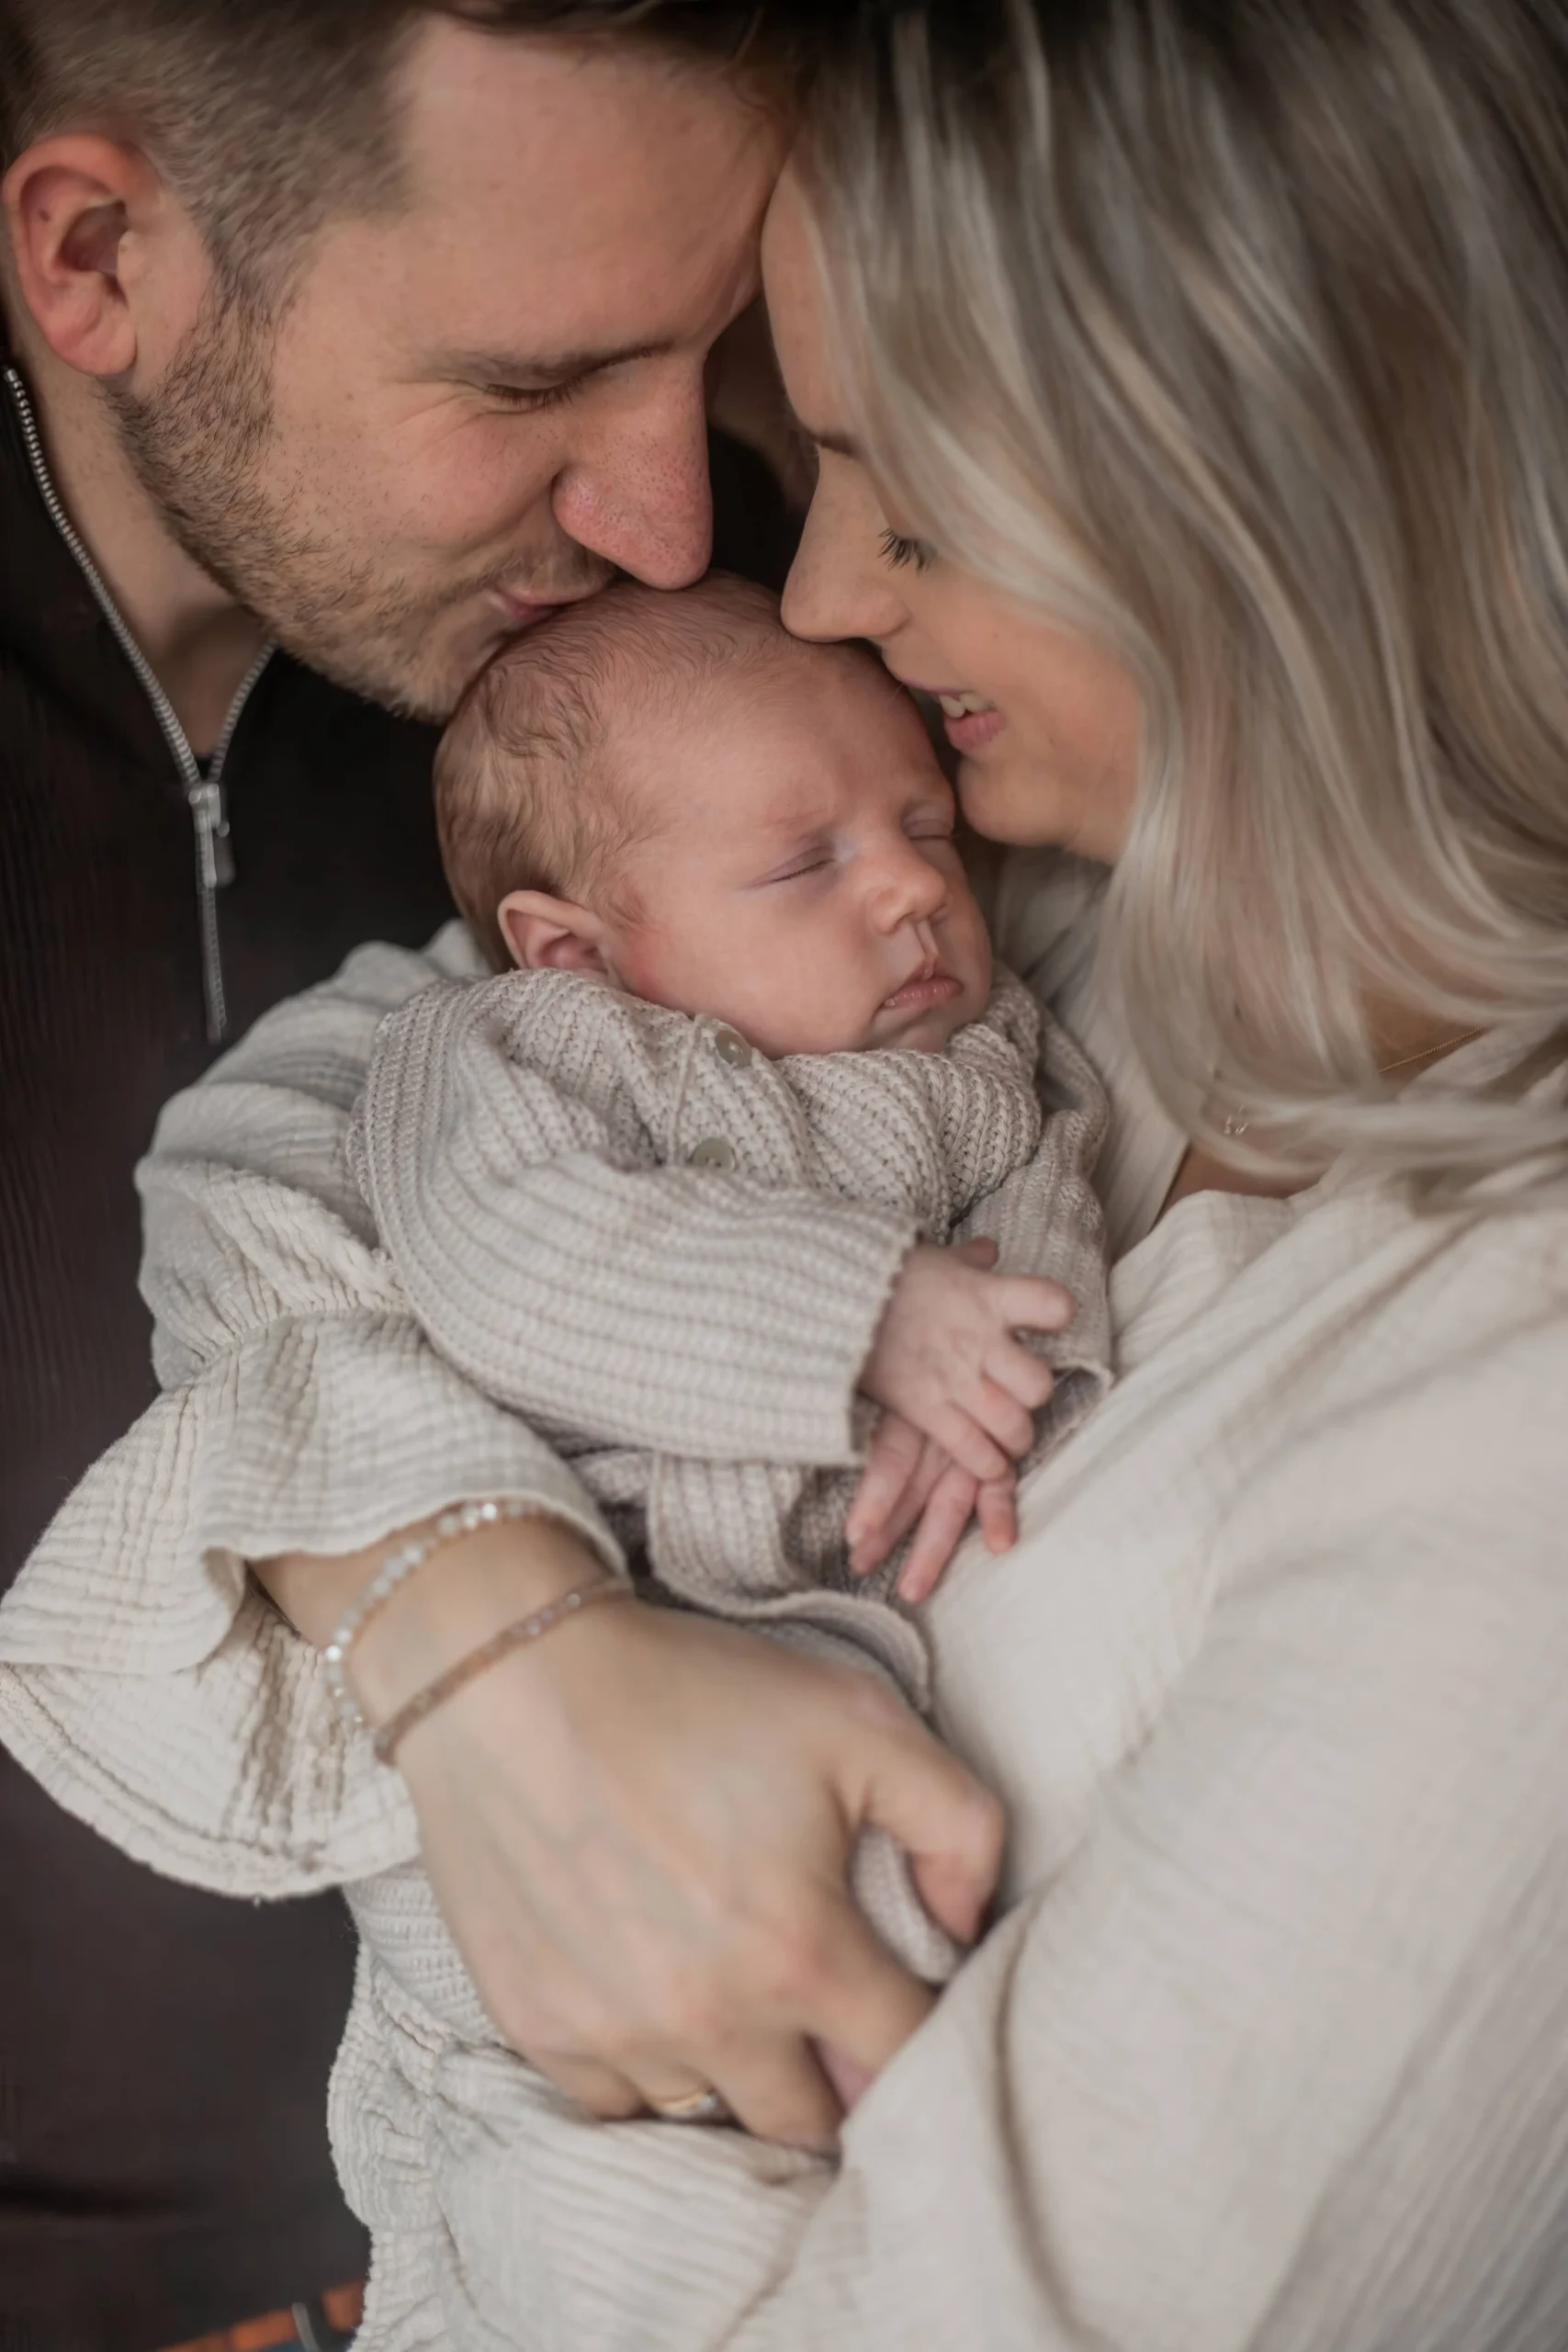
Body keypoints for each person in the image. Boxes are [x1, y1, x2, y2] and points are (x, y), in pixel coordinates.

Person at [9, 0, 1568, 2343]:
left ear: (1233, 490)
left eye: (887, 477)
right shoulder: (1031, 882)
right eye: (550, 385)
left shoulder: (1475, 1380)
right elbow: (296, 1134)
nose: (765, 574)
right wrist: (492, 1645)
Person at [0, 1, 826, 2341]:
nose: (670, 519)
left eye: (708, 357)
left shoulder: (719, 653)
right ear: (93, 254)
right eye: (530, 386)